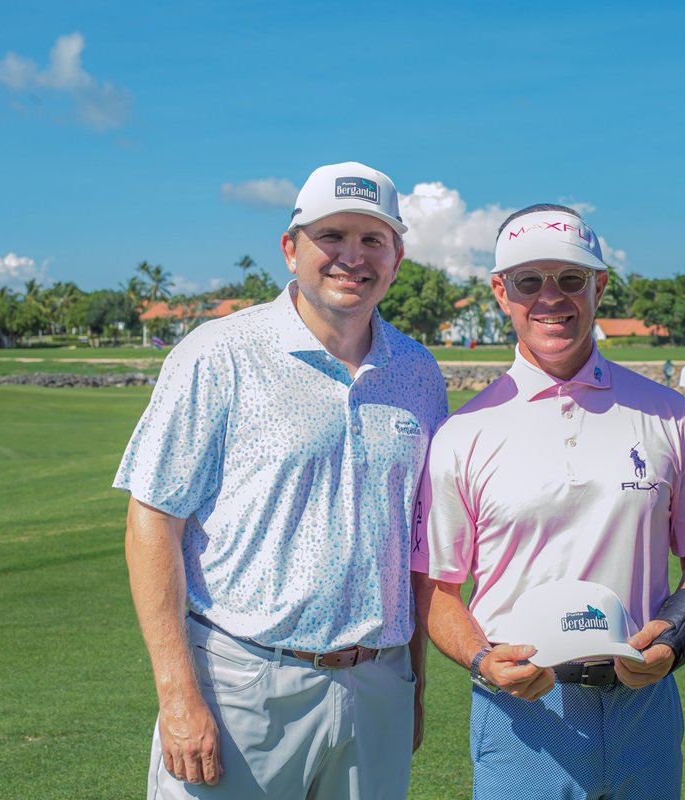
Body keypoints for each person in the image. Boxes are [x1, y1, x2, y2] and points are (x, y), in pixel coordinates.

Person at [114, 161, 448, 799]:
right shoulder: (219, 353)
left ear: (397, 257)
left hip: (379, 683)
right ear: (291, 249)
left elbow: (414, 544)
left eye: (372, 240)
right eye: (333, 236)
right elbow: (152, 520)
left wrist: (414, 683)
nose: (352, 257)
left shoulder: (419, 370)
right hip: (243, 684)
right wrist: (178, 695)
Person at [411, 204, 685, 799]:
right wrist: (484, 659)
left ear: (600, 285)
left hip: (644, 701)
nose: (551, 298)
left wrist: (675, 636)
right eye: (528, 280)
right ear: (499, 291)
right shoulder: (462, 433)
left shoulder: (667, 412)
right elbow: (437, 591)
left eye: (571, 278)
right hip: (523, 712)